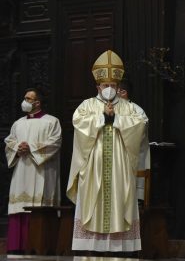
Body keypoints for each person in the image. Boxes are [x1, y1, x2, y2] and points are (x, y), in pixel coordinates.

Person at [68, 50, 147, 252]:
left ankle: (120, 246)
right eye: (105, 85)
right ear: (98, 86)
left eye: (113, 85)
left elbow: (141, 125)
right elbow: (79, 125)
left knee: (120, 198)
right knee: (93, 200)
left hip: (120, 167)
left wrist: (116, 119)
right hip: (94, 164)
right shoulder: (86, 106)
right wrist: (102, 117)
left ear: (118, 86)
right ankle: (91, 246)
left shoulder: (131, 108)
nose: (109, 89)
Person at [5, 88, 61, 254]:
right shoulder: (18, 123)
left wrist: (32, 148)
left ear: (37, 102)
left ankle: (39, 245)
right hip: (21, 171)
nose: (24, 101)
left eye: (28, 98)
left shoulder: (52, 122)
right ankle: (17, 246)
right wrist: (17, 148)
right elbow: (9, 142)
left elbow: (55, 143)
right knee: (19, 207)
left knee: (39, 206)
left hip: (41, 171)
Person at [117, 79, 150, 203]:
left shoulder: (137, 111)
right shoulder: (107, 109)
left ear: (123, 92)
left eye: (113, 89)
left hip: (131, 163)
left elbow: (138, 133)